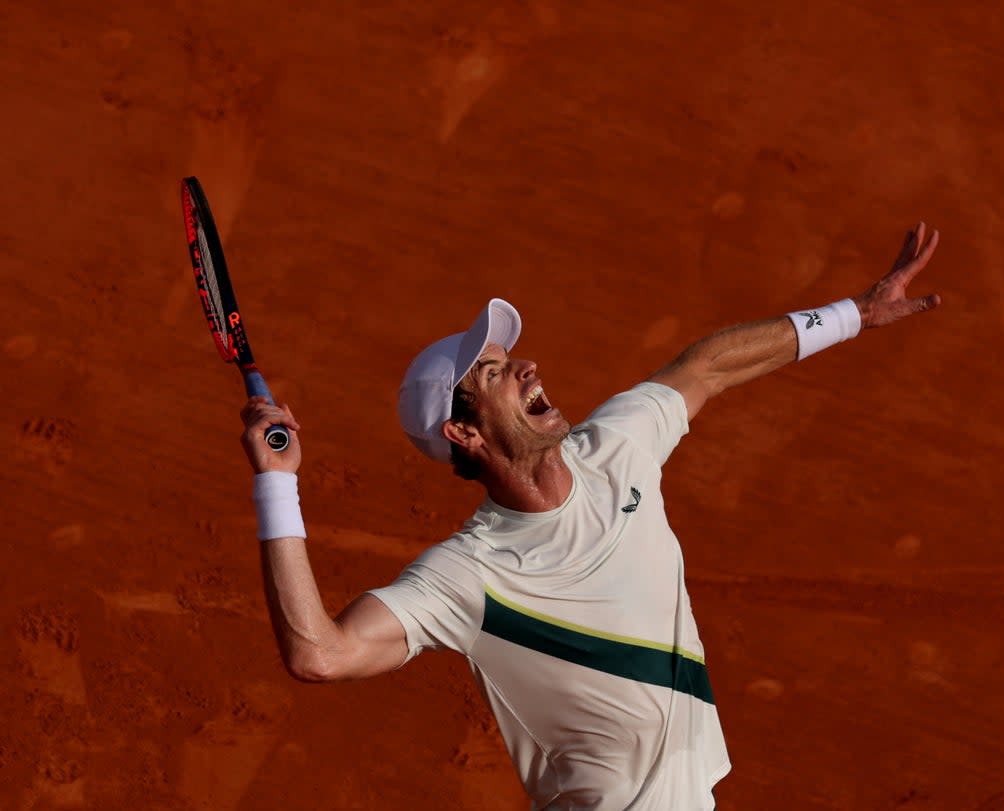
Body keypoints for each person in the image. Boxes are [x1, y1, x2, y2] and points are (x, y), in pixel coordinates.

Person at [240, 223, 941, 810]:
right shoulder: (469, 577)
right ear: (466, 435)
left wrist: (856, 312)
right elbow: (320, 654)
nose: (525, 368)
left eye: (510, 359)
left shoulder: (617, 449)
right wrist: (278, 487)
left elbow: (707, 367)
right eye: (493, 374)